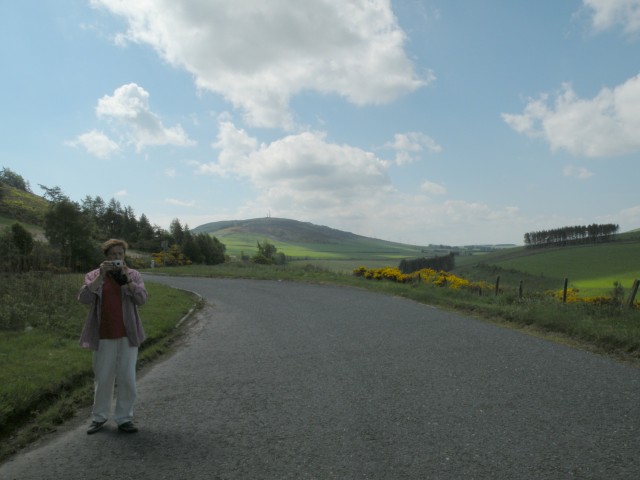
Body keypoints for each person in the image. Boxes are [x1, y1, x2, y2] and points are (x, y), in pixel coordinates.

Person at [78, 238, 147, 434]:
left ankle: (124, 418)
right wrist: (100, 276)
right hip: (103, 334)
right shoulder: (93, 275)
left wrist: (129, 282)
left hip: (128, 334)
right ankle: (99, 417)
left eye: (120, 254)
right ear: (106, 258)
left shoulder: (133, 274)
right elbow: (83, 298)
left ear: (124, 256)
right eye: (112, 255)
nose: (116, 258)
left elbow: (142, 299)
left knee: (127, 377)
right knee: (103, 377)